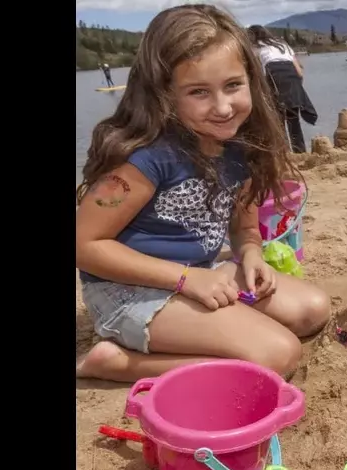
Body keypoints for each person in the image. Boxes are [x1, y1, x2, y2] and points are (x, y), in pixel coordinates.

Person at [74, 4, 331, 383]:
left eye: (232, 85)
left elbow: (244, 230)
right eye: (198, 92)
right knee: (278, 355)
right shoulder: (147, 158)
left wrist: (252, 255)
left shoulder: (243, 148)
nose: (223, 107)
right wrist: (184, 280)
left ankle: (219, 331)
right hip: (127, 292)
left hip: (199, 273)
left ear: (252, 80)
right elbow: (84, 244)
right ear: (164, 93)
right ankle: (117, 363)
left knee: (313, 309)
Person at [247, 25, 318, 153]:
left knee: (277, 119)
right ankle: (300, 152)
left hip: (274, 78)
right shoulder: (284, 46)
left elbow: (257, 73)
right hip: (292, 79)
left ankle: (283, 153)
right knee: (293, 118)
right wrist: (296, 89)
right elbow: (299, 72)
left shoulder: (256, 48)